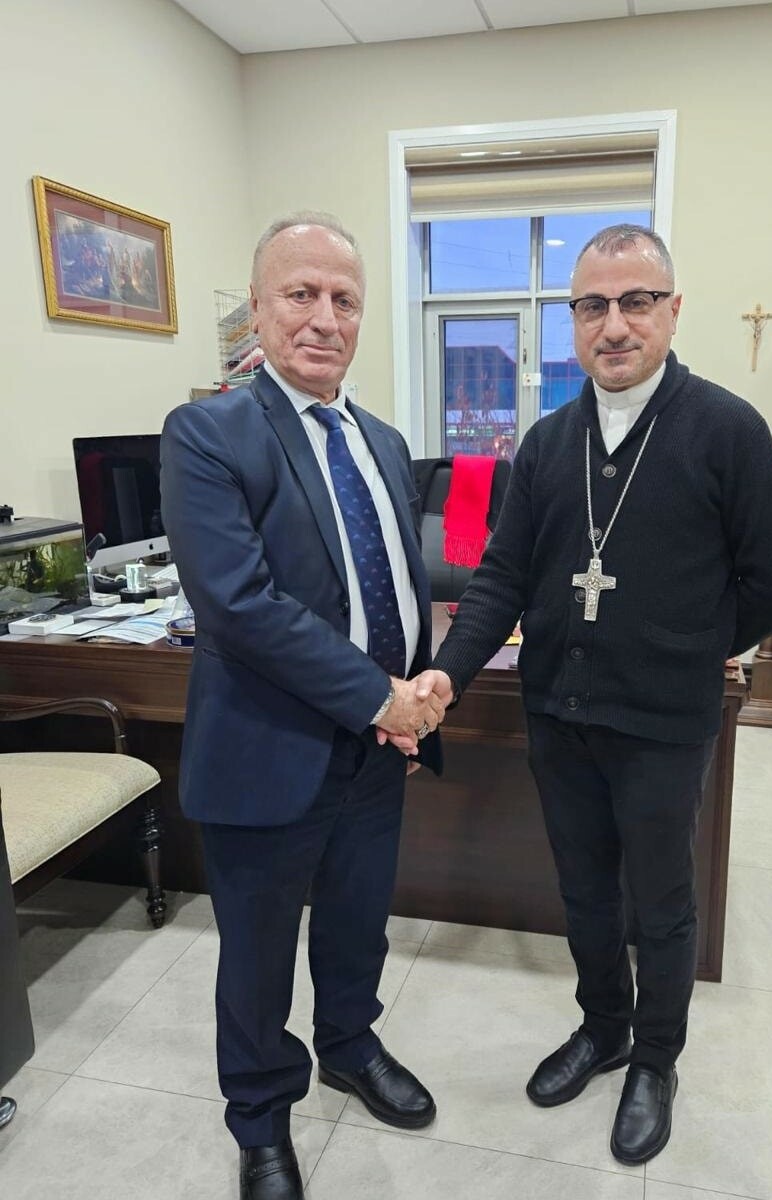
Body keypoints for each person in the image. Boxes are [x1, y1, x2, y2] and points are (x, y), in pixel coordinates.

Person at [412, 224, 772, 1166]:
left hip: (664, 720)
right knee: (584, 888)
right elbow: (502, 578)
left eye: (637, 301)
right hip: (560, 711)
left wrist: (695, 644)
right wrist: (447, 672)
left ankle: (656, 1059)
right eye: (593, 305)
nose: (615, 324)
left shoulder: (727, 429)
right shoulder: (548, 443)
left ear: (673, 311)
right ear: (573, 321)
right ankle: (604, 1028)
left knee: (661, 899)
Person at [161, 212, 447, 1200]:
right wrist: (381, 696)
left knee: (358, 925)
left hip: (374, 753)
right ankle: (261, 1119)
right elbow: (239, 605)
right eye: (301, 294)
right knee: (256, 956)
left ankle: (351, 1046)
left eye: (345, 299)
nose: (326, 318)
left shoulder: (384, 441)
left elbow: (391, 585)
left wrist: (414, 688)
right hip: (267, 752)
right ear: (258, 307)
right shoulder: (208, 434)